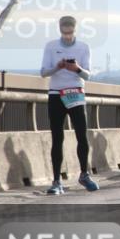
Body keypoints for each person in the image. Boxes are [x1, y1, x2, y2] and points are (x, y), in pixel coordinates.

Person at [40, 15, 98, 194]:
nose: (67, 36)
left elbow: (88, 75)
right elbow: (43, 72)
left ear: (75, 30)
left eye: (70, 32)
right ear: (59, 29)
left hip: (75, 93)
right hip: (56, 94)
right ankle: (56, 181)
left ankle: (84, 174)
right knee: (57, 137)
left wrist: (77, 69)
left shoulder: (83, 47)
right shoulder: (51, 46)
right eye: (64, 32)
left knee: (82, 134)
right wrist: (58, 67)